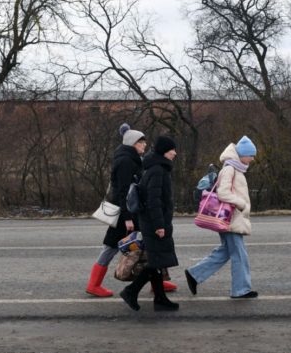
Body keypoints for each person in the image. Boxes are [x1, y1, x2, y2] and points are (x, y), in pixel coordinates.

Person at [85, 124, 177, 297]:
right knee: (111, 247)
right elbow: (123, 191)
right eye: (141, 143)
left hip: (132, 212)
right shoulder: (125, 162)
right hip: (124, 214)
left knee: (149, 245)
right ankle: (93, 284)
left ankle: (158, 282)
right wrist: (127, 218)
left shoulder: (133, 159)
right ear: (132, 143)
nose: (144, 145)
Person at [184, 135, 258, 299]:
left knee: (226, 252)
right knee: (239, 254)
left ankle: (195, 274)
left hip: (231, 218)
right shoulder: (230, 169)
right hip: (230, 219)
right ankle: (241, 290)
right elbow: (223, 193)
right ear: (242, 154)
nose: (252, 159)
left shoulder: (234, 168)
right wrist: (241, 204)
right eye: (250, 155)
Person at [120, 136, 180, 311]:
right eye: (172, 150)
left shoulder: (157, 168)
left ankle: (160, 299)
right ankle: (131, 291)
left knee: (158, 261)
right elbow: (153, 201)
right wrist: (159, 226)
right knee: (156, 261)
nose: (175, 153)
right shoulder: (157, 170)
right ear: (164, 151)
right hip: (154, 223)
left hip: (154, 221)